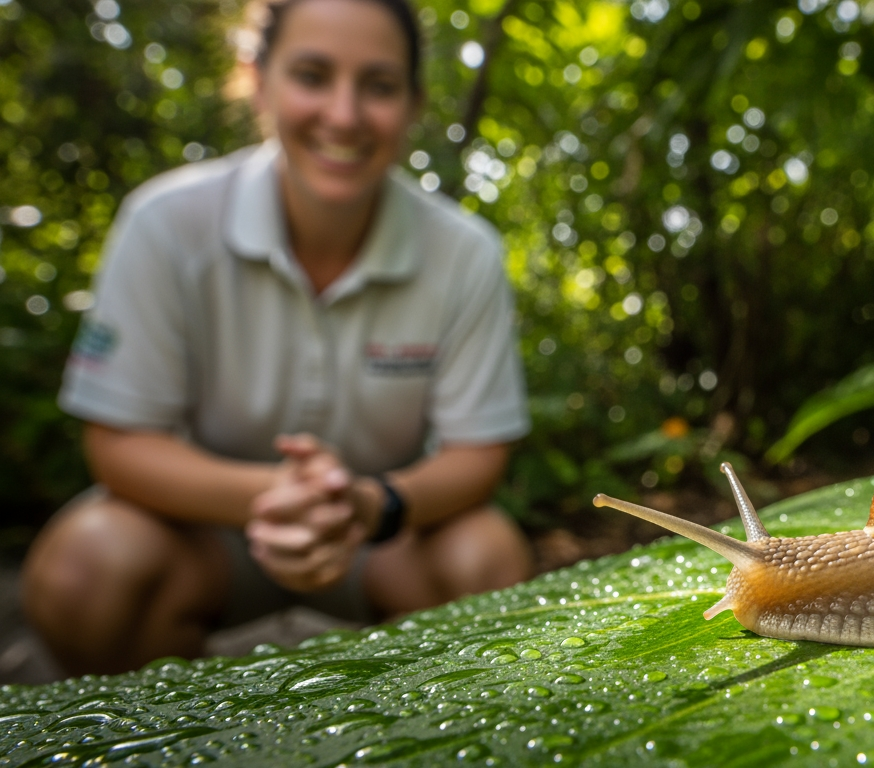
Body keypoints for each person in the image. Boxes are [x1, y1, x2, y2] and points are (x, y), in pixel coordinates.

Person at [21, 0, 534, 676]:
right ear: (258, 80)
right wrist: (277, 496)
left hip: (379, 540)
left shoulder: (464, 252)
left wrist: (369, 505)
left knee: (488, 559)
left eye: (378, 85)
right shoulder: (166, 224)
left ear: (413, 103)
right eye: (313, 75)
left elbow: (477, 453)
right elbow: (118, 442)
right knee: (85, 568)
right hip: (206, 540)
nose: (344, 115)